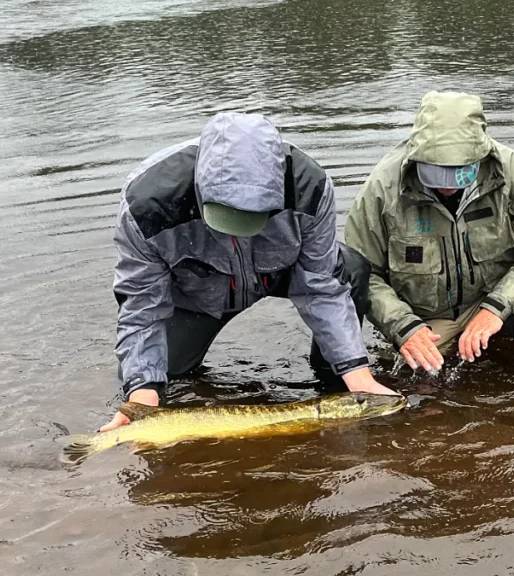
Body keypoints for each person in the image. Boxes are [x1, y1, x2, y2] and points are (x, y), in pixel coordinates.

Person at [100, 111, 398, 432]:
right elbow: (142, 308)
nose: (239, 230)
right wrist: (143, 391)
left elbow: (321, 285)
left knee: (350, 267)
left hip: (277, 271)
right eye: (227, 215)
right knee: (151, 378)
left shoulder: (308, 187)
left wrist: (358, 373)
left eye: (252, 218)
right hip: (198, 292)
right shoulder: (147, 205)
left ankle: (335, 378)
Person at [344, 91, 514, 374]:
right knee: (414, 381)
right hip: (426, 321)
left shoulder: (509, 169)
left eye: (459, 171)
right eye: (436, 172)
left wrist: (496, 307)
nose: (448, 185)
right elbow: (362, 273)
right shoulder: (382, 187)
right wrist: (403, 326)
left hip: (496, 302)